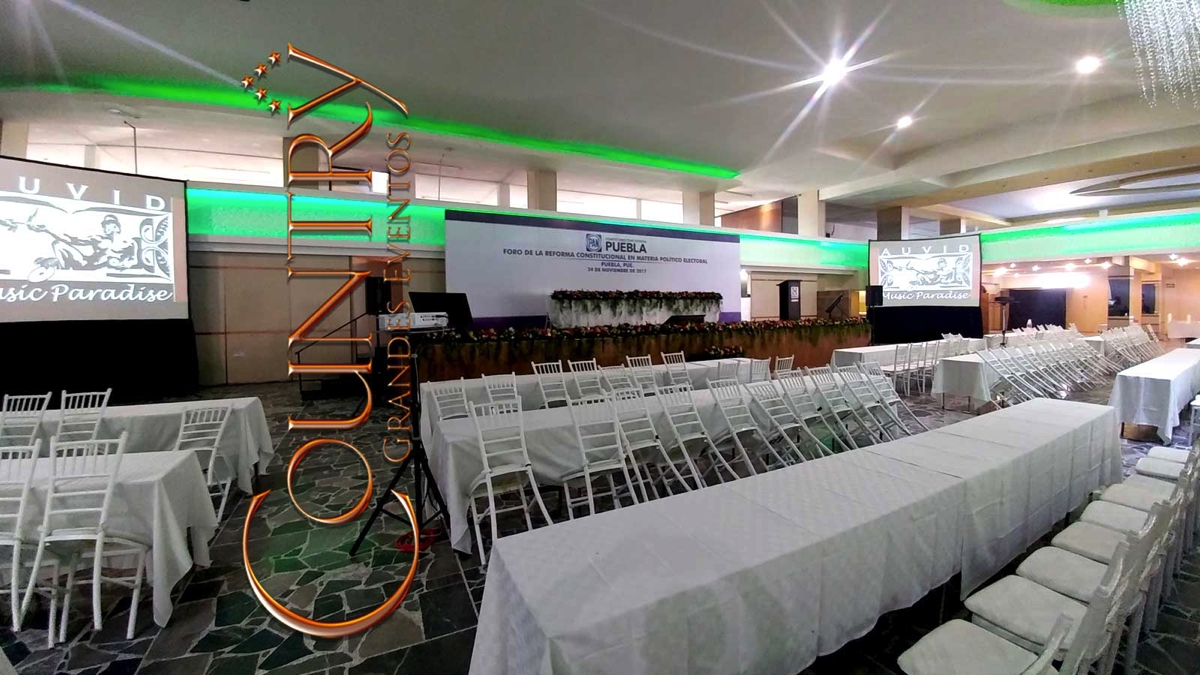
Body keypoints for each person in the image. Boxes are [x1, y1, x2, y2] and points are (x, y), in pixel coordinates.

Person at [29, 214, 138, 274]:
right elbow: (72, 240)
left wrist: (125, 264)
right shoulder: (98, 239)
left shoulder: (130, 243)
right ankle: (63, 272)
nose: (105, 228)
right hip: (85, 265)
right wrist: (47, 230)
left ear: (116, 227)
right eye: (104, 226)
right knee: (58, 244)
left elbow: (135, 260)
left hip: (102, 269)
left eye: (107, 225)